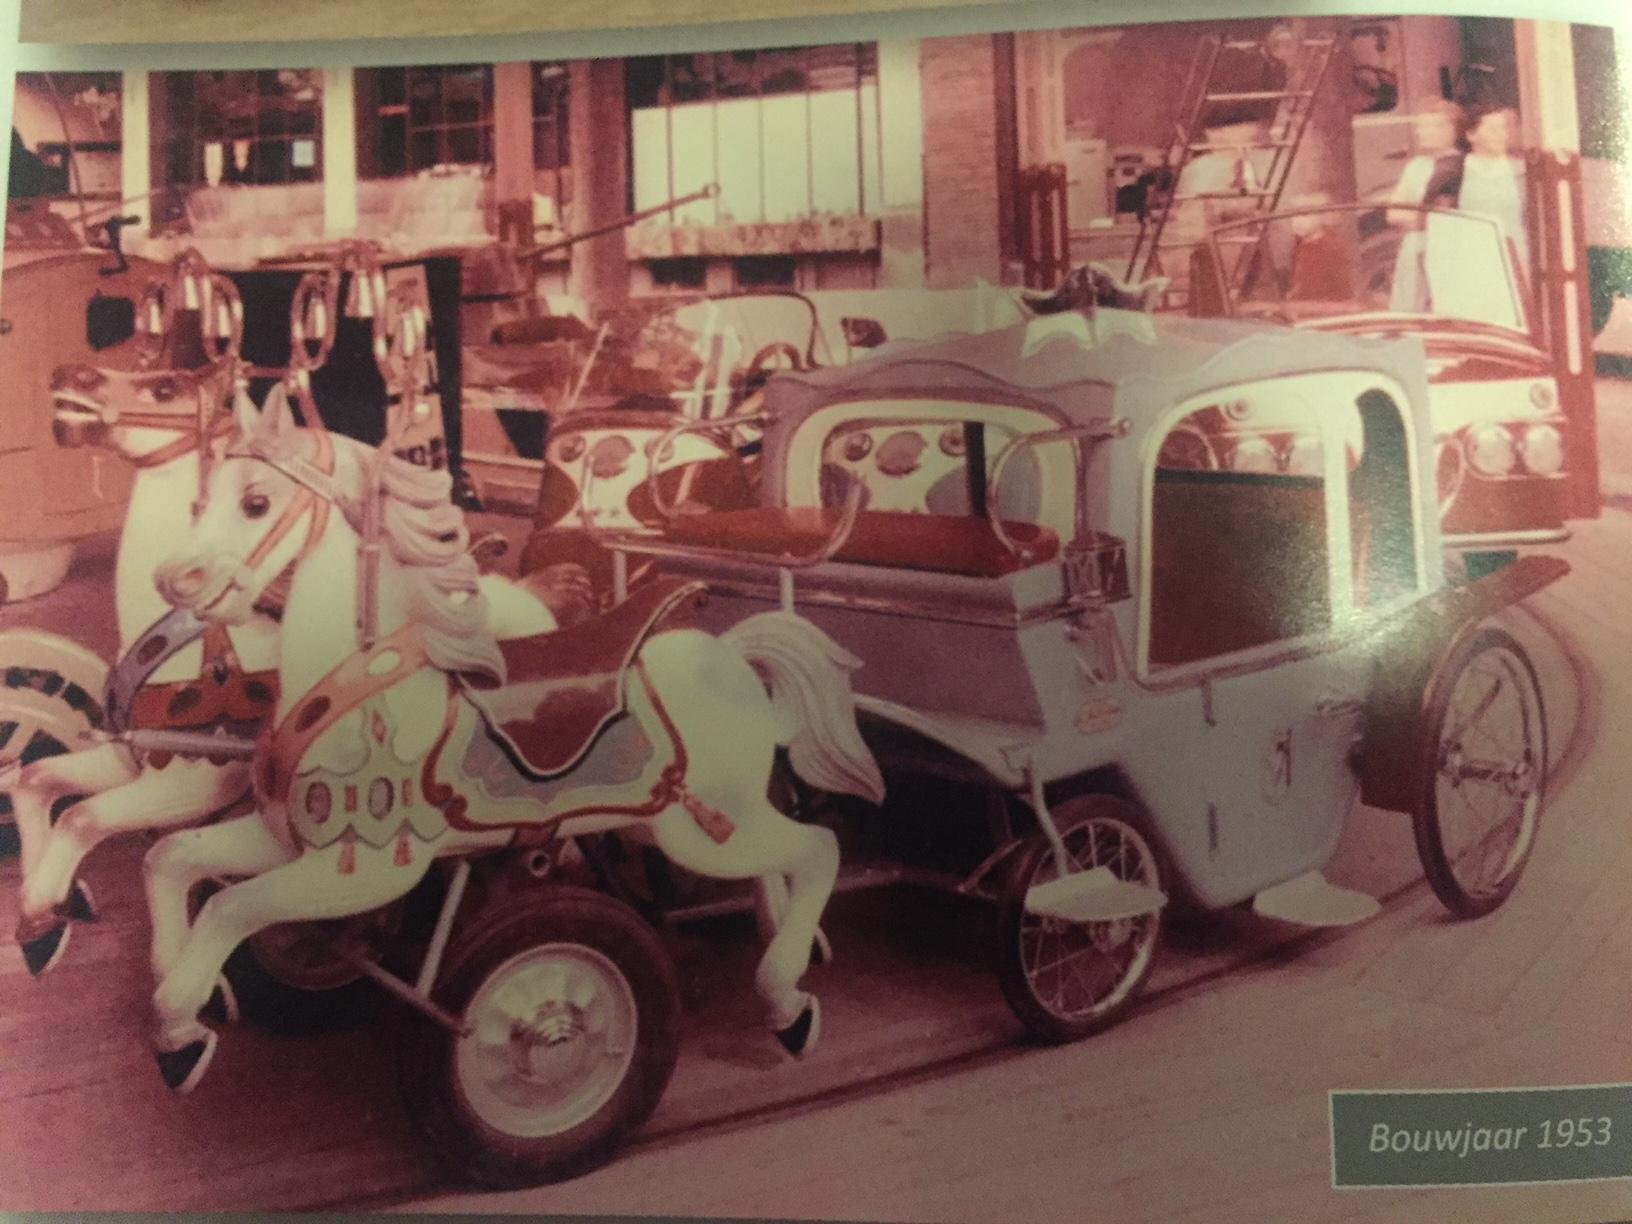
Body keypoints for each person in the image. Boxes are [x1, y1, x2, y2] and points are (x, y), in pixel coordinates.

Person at [1423, 103, 1531, 278]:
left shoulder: (1521, 171)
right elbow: (1438, 220)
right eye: (1492, 129)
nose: (1501, 135)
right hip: (1471, 261)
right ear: (1471, 135)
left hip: (1515, 260)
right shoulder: (1454, 171)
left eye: (1503, 129)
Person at [1385, 99, 1461, 310]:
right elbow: (1393, 214)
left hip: (1449, 249)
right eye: (1420, 127)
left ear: (1451, 130)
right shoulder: (1416, 167)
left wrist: (1417, 218)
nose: (1422, 133)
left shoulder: (1461, 165)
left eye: (1432, 126)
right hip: (1415, 247)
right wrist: (1423, 220)